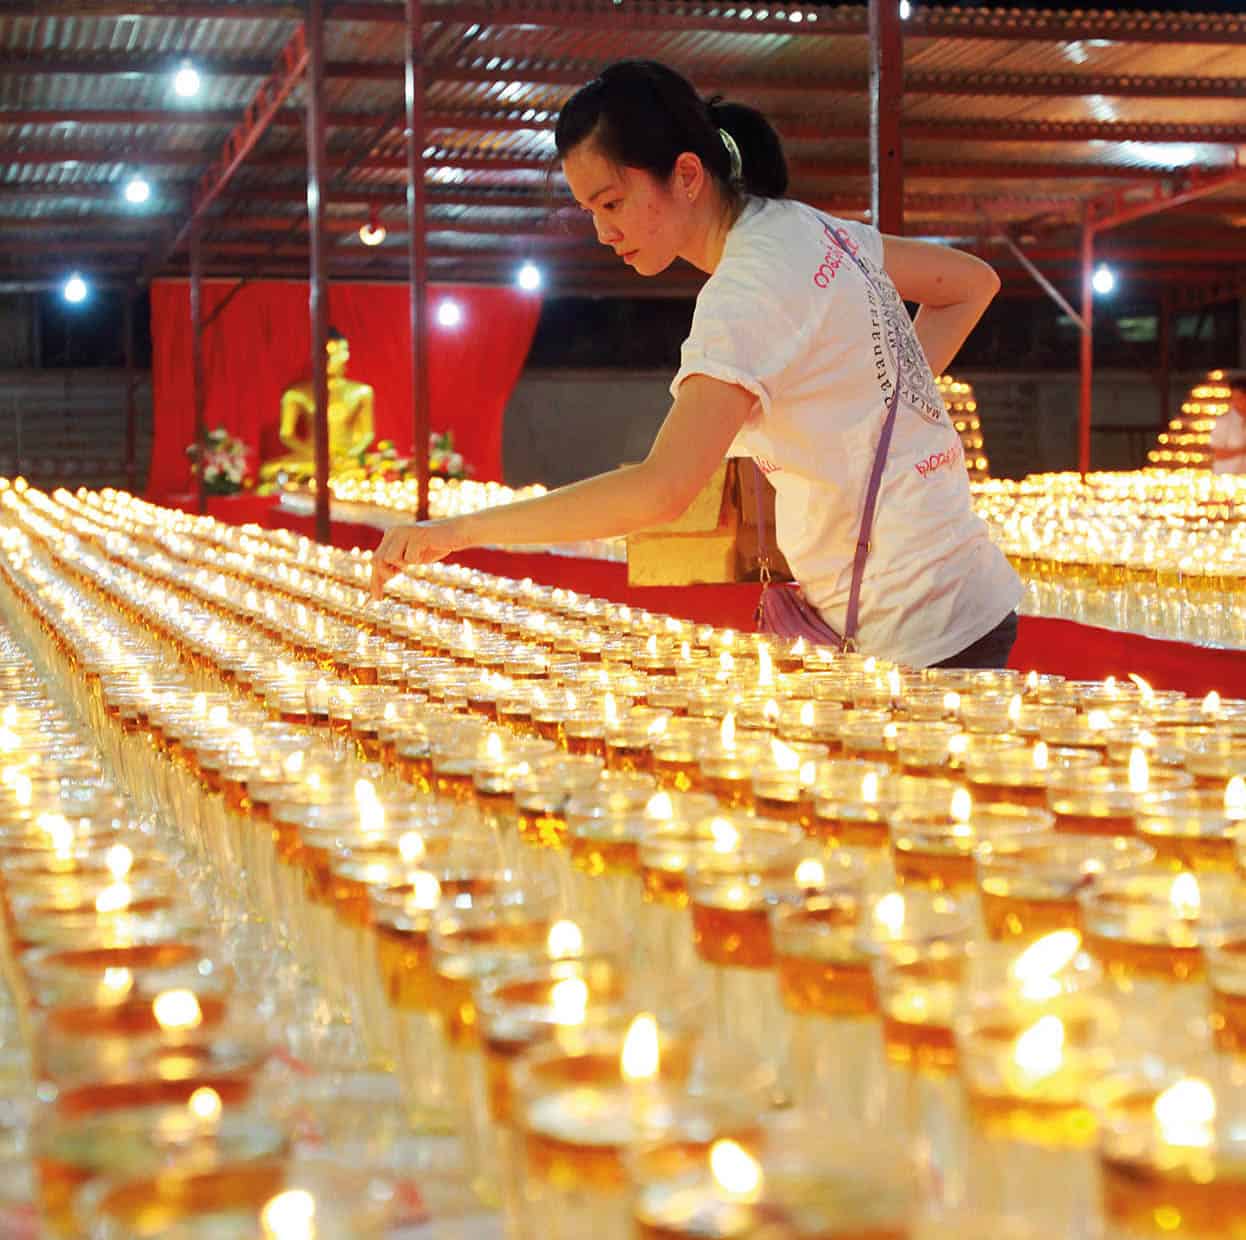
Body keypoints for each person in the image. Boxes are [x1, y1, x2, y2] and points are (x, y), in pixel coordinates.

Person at [372, 59, 1021, 669]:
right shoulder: (808, 230)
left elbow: (662, 490)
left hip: (915, 627)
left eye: (612, 202)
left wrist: (457, 531)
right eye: (591, 211)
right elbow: (970, 283)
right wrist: (888, 400)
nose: (603, 232)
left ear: (686, 176)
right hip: (956, 590)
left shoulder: (746, 291)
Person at [259, 327, 376, 485]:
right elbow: (286, 434)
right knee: (270, 470)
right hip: (312, 458)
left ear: (346, 355)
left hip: (347, 459)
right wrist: (315, 454)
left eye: (335, 354)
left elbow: (367, 434)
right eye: (324, 354)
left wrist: (348, 454)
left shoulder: (362, 392)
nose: (329, 359)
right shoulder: (296, 393)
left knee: (375, 466)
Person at [1209, 375, 1246, 475]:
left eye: (1240, 398)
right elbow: (1217, 453)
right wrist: (1242, 451)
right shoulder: (1224, 421)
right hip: (1227, 478)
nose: (1237, 402)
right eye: (1234, 398)